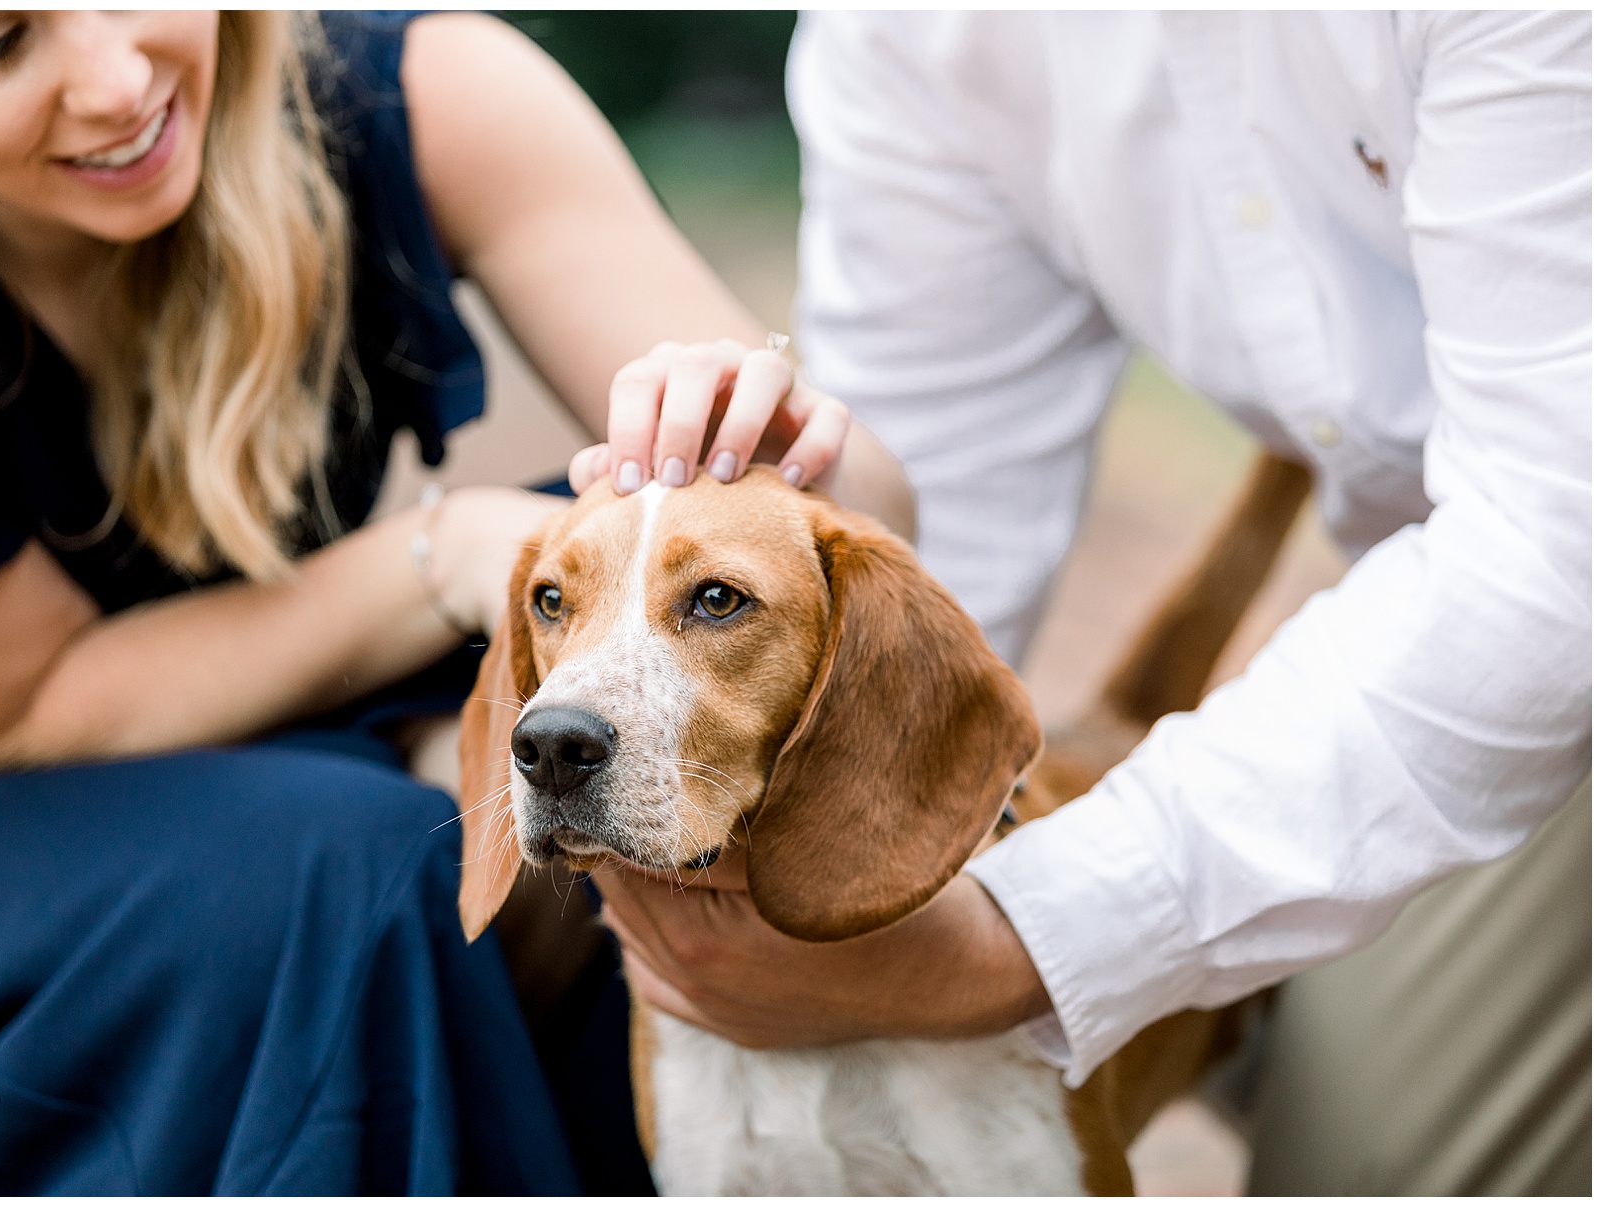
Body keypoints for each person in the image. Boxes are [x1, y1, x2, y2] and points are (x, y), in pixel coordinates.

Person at [0, 10, 912, 1194]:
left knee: (666, 668)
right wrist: (441, 560)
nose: (117, 80)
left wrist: (776, 451)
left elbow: (873, 520)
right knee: (366, 855)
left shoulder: (423, 95)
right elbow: (28, 717)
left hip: (292, 724)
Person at [583, 11, 1590, 1194]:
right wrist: (798, 513)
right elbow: (948, 523)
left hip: (1552, 600)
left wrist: (1032, 940)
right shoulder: (906, 29)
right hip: (1421, 607)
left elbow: (1556, 550)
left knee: (1377, 1160)